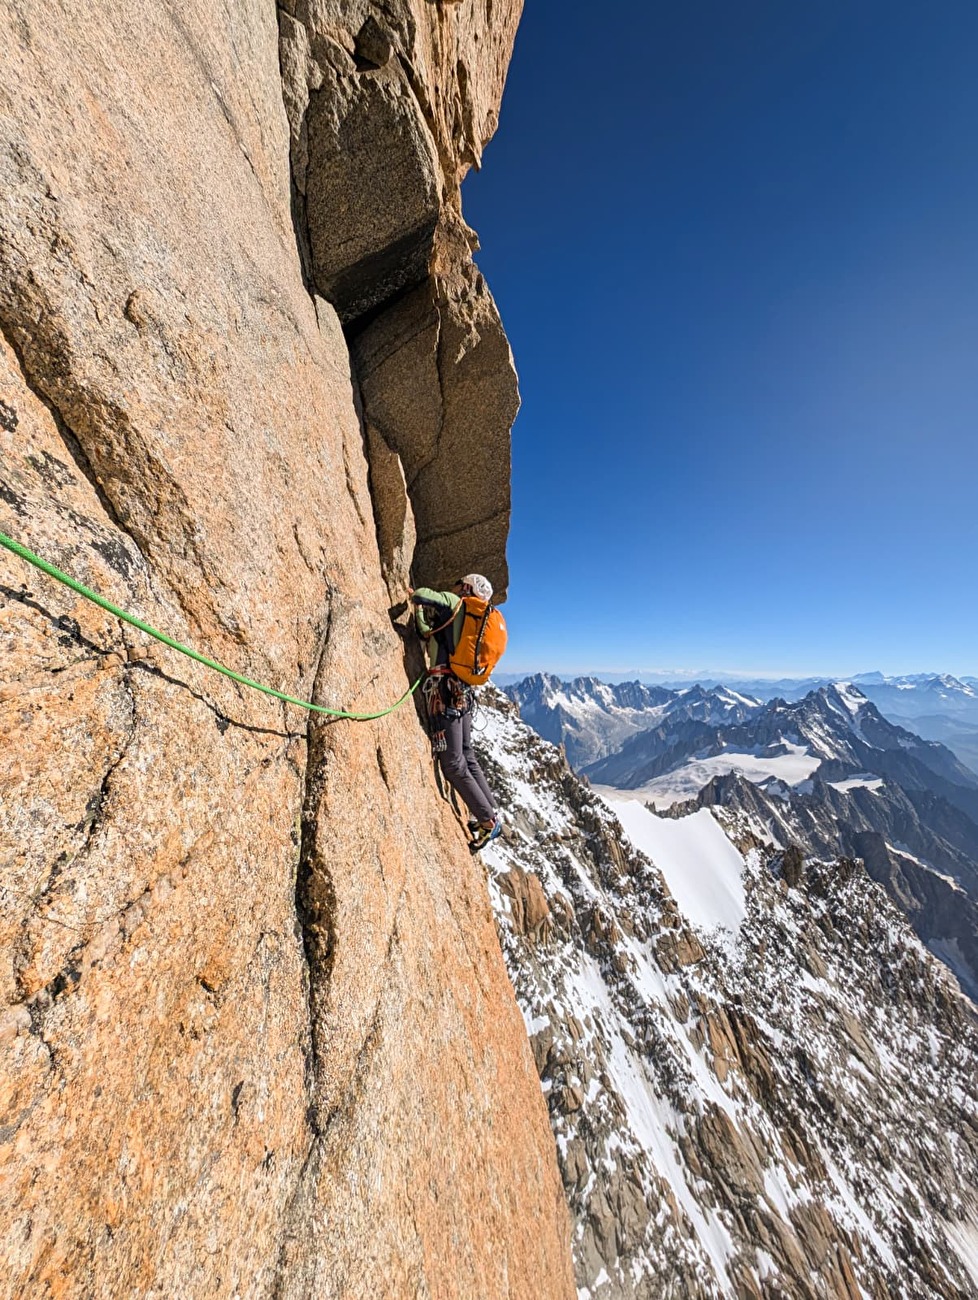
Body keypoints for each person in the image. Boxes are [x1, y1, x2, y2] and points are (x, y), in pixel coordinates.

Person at [410, 574, 503, 851]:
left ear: (466, 588)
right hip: (462, 691)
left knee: (452, 762)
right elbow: (429, 632)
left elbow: (422, 595)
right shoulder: (476, 619)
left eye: (457, 582)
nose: (452, 584)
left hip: (445, 691)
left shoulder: (455, 602)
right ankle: (491, 811)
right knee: (467, 754)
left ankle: (487, 820)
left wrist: (413, 593)